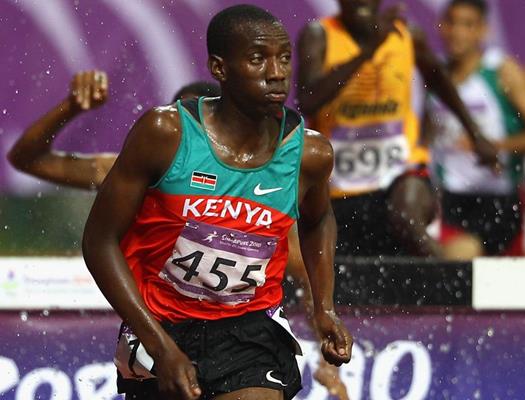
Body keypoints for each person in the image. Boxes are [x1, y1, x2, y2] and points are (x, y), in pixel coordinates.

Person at [82, 5, 352, 400]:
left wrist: (324, 307)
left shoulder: (309, 153)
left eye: (283, 58)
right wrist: (159, 345)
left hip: (249, 329)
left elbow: (318, 219)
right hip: (160, 322)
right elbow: (99, 242)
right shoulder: (165, 134)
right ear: (219, 68)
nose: (277, 73)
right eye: (258, 59)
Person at [296, 0, 499, 258]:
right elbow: (308, 101)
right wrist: (367, 51)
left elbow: (438, 79)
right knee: (350, 271)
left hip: (400, 168)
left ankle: (450, 281)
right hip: (338, 185)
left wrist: (476, 134)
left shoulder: (406, 34)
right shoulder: (319, 35)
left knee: (407, 217)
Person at [424, 0, 525, 259]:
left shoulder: (502, 72)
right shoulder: (435, 75)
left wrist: (493, 146)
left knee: (459, 257)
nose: (458, 32)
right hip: (448, 200)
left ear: (483, 30)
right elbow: (427, 138)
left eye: (467, 25)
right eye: (452, 23)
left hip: (497, 201)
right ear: (440, 27)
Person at [7, 70, 220, 189]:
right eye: (181, 121)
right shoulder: (137, 174)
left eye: (196, 124)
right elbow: (28, 159)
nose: (188, 133)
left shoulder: (248, 183)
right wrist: (70, 107)